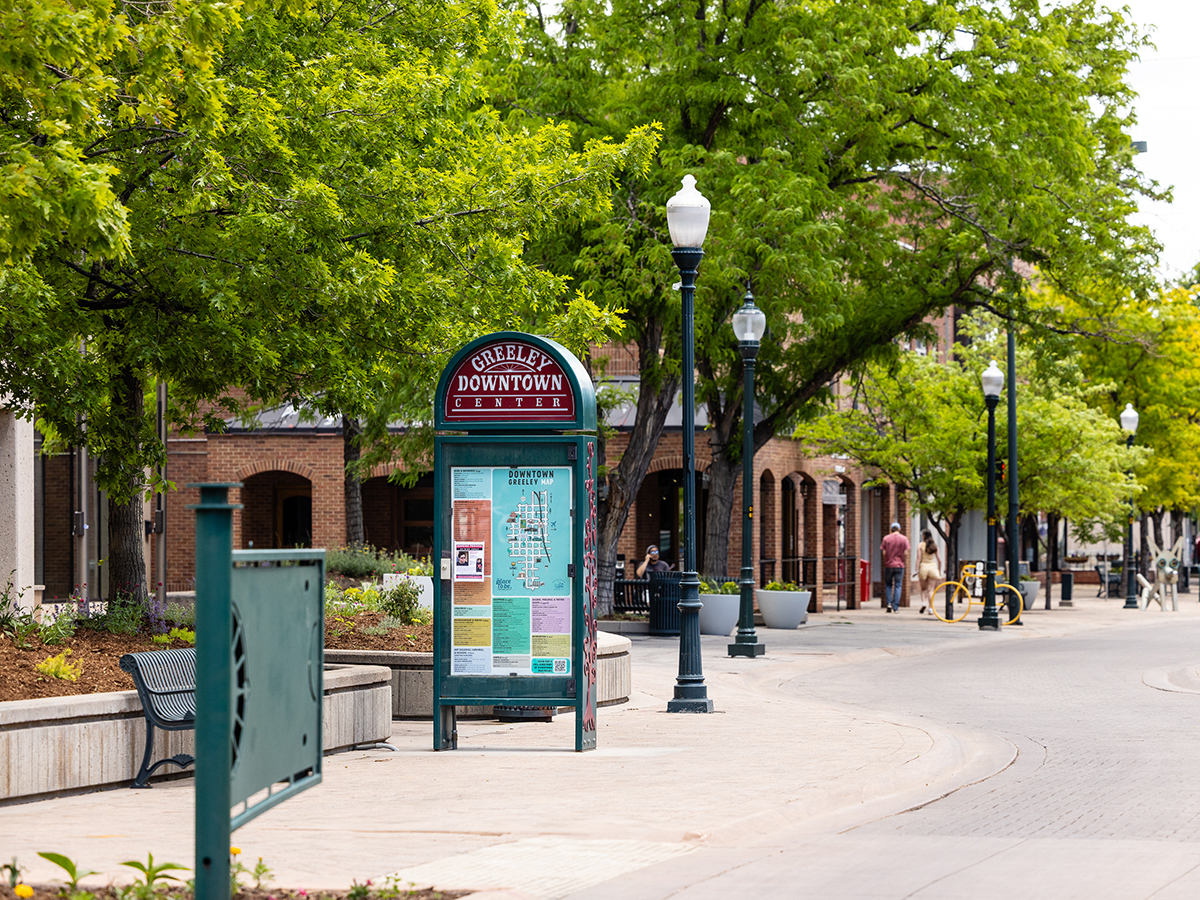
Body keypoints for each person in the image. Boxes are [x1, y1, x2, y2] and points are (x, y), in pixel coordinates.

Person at [880, 522, 910, 613]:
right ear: (899, 529)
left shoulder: (886, 538)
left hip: (889, 565)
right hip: (899, 565)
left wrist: (887, 561)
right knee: (898, 585)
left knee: (888, 585)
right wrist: (903, 561)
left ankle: (888, 603)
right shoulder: (904, 539)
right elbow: (906, 553)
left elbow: (884, 553)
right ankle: (896, 607)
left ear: (891, 529)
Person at [915, 529, 942, 614]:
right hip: (933, 567)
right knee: (931, 590)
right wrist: (939, 570)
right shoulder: (934, 546)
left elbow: (918, 558)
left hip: (923, 567)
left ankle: (923, 603)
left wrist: (916, 569)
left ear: (924, 536)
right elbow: (939, 560)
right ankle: (931, 608)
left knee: (923, 589)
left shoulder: (920, 545)